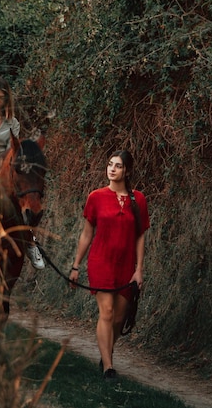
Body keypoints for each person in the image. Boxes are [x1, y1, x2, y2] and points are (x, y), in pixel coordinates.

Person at [69, 150, 150, 380]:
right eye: (110, 164)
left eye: (118, 166)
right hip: (100, 261)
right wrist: (76, 266)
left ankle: (106, 354)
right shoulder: (96, 196)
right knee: (106, 312)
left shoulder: (138, 200)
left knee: (118, 319)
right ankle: (108, 367)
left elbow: (140, 236)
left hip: (126, 266)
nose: (112, 169)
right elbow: (86, 235)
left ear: (127, 171)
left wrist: (139, 269)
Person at [0, 76, 45, 271]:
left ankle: (30, 241)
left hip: (5, 166)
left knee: (22, 195)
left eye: (3, 97)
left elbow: (13, 150)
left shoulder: (12, 123)